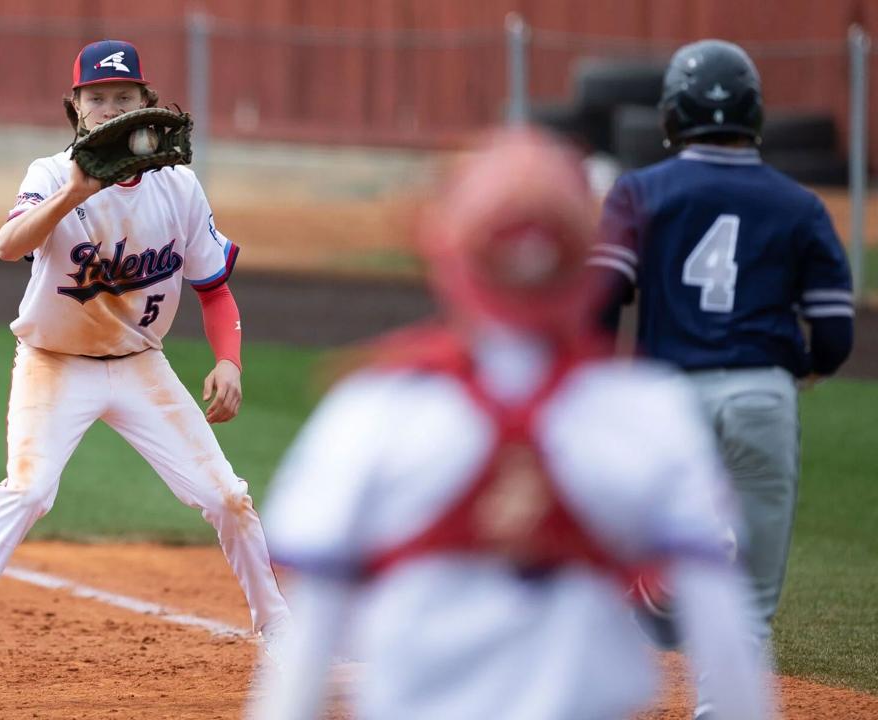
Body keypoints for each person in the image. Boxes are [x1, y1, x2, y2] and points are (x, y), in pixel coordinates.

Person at [247, 129, 773, 720]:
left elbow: (307, 650)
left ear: (449, 253)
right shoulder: (649, 411)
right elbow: (726, 638)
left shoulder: (375, 409)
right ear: (589, 258)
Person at [0, 39, 290, 708]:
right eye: (97, 98)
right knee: (27, 493)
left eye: (124, 97)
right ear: (76, 108)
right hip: (53, 364)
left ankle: (282, 634)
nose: (111, 107)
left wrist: (229, 361)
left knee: (227, 497)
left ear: (146, 104)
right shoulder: (49, 174)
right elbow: (7, 244)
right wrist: (75, 188)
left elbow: (214, 289)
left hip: (140, 366)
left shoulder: (179, 185)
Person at [589, 39, 854, 719]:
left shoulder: (640, 191)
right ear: (756, 115)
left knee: (636, 551)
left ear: (673, 117)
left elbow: (598, 300)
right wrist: (807, 366)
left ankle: (661, 584)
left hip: (668, 399)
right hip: (764, 396)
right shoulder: (801, 206)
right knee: (749, 606)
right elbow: (835, 335)